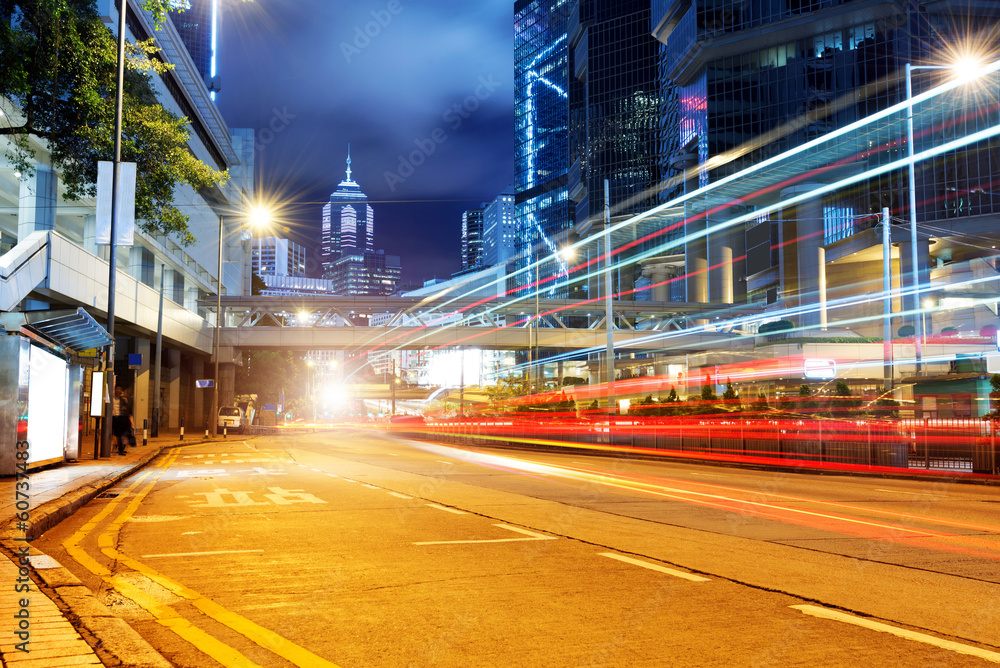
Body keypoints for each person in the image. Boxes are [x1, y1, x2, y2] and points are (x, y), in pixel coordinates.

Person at [111, 385, 134, 455]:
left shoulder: (123, 400)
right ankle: (117, 448)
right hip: (114, 417)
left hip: (121, 418)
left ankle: (120, 449)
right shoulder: (112, 399)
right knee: (117, 435)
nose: (119, 391)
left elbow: (127, 409)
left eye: (120, 389)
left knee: (121, 435)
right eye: (117, 389)